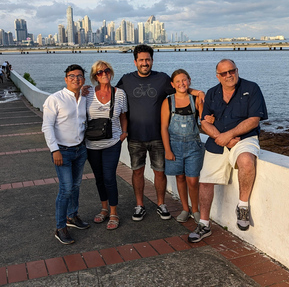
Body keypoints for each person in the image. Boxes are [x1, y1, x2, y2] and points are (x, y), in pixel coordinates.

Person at [115, 44, 204, 221]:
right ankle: (139, 205)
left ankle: (161, 204)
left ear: (152, 61)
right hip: (135, 136)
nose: (145, 63)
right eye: (141, 60)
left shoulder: (162, 79)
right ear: (135, 62)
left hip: (158, 137)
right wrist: (89, 91)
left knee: (159, 172)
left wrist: (197, 92)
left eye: (148, 59)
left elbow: (181, 89)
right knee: (137, 171)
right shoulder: (126, 80)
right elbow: (114, 96)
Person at [188, 59, 268, 243]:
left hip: (244, 138)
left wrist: (229, 136)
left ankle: (242, 207)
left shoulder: (251, 88)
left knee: (247, 161)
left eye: (231, 71)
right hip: (218, 140)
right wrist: (221, 138)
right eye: (223, 73)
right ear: (218, 76)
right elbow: (205, 122)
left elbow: (254, 120)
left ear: (237, 71)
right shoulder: (212, 93)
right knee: (206, 180)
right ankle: (204, 224)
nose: (228, 75)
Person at [42, 64, 89, 245]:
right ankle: (60, 227)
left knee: (76, 186)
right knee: (66, 189)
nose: (76, 79)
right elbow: (47, 126)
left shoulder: (85, 97)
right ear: (65, 79)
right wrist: (55, 150)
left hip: (80, 149)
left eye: (79, 76)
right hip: (63, 151)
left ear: (83, 79)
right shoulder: (55, 99)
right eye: (72, 76)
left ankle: (72, 216)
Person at [85, 61, 128, 230]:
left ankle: (113, 212)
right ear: (95, 76)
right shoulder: (87, 93)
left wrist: (124, 133)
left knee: (109, 177)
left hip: (112, 143)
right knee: (99, 178)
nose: (104, 74)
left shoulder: (120, 94)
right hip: (92, 145)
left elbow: (123, 115)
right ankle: (103, 208)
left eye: (106, 70)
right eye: (99, 72)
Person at [161, 69, 204, 223]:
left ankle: (196, 209)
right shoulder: (168, 101)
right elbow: (164, 127)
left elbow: (203, 121)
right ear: (173, 84)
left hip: (194, 145)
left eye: (184, 80)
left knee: (193, 180)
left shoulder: (195, 99)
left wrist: (201, 96)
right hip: (174, 145)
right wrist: (167, 150)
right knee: (180, 177)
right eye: (178, 81)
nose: (181, 84)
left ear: (189, 81)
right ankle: (185, 209)